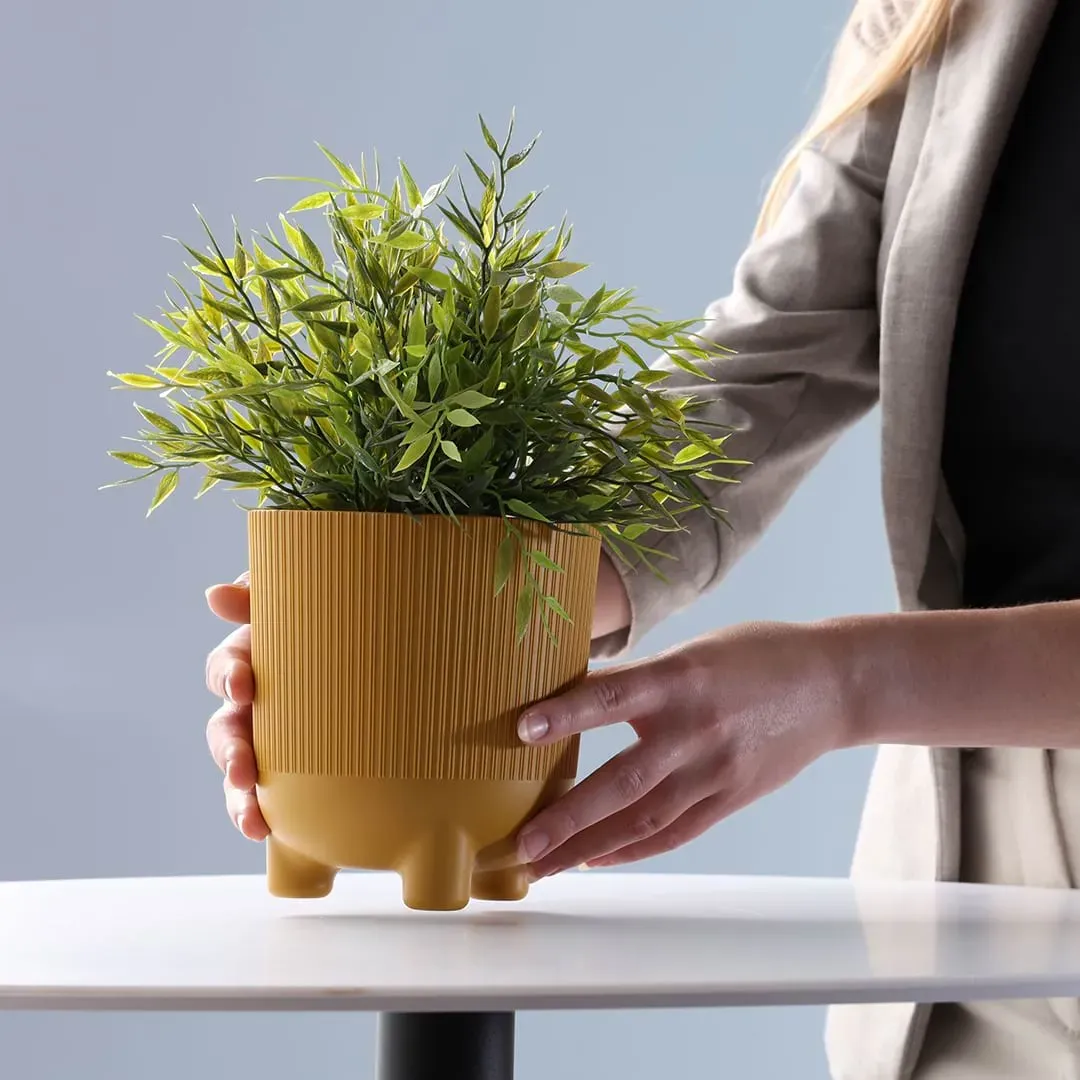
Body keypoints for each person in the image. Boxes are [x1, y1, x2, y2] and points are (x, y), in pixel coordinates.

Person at [202, 0, 1080, 1075]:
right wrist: (415, 632)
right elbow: (768, 366)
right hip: (954, 879)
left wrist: (850, 683)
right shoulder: (954, 14)